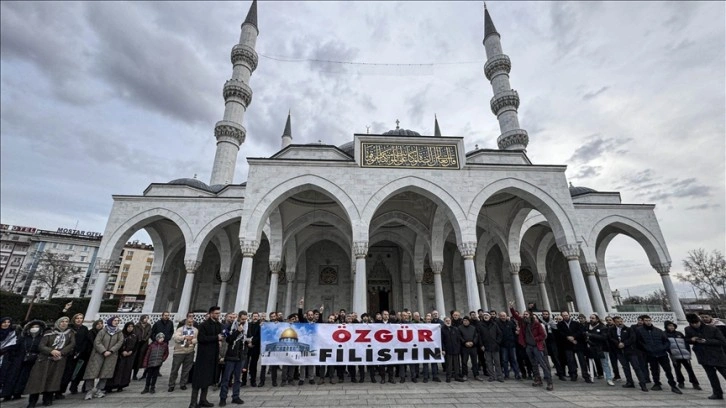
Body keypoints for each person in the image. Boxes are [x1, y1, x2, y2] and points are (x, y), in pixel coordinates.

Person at [25, 316, 76, 408]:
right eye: (62, 321)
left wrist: (61, 353)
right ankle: (32, 401)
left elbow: (71, 344)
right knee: (37, 380)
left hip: (59, 359)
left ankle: (47, 399)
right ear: (58, 322)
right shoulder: (49, 332)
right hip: (44, 359)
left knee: (53, 379)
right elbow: (41, 345)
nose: (64, 323)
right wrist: (51, 351)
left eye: (66, 322)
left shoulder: (70, 333)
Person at [509, 303, 553, 391]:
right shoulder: (523, 323)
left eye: (526, 314)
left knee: (543, 364)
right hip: (528, 346)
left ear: (530, 315)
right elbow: (515, 316)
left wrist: (535, 339)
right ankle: (538, 379)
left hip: (536, 346)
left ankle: (549, 382)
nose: (525, 316)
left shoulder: (537, 324)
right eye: (524, 314)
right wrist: (511, 308)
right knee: (533, 364)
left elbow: (543, 335)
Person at [635, 315, 682, 394]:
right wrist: (646, 349)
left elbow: (666, 341)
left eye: (649, 320)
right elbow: (638, 342)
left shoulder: (658, 330)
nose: (648, 322)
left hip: (662, 353)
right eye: (646, 320)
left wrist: (663, 348)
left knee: (668, 370)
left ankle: (673, 385)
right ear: (642, 321)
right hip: (650, 354)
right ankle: (656, 383)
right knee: (654, 370)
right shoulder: (639, 331)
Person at [1, 320, 46, 402]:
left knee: (24, 378)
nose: (34, 329)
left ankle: (18, 393)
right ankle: (7, 394)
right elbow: (15, 345)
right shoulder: (24, 337)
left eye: (37, 327)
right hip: (21, 359)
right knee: (13, 376)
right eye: (33, 327)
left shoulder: (42, 338)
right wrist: (4, 350)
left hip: (34, 360)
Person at [685, 313, 726, 400]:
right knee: (711, 376)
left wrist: (706, 341)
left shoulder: (712, 329)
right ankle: (717, 393)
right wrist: (692, 340)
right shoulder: (688, 329)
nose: (695, 325)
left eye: (696, 323)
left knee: (724, 372)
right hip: (703, 356)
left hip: (716, 355)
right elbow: (687, 340)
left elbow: (722, 341)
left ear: (699, 321)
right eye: (692, 324)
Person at [189, 306, 223, 408]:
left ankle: (203, 399)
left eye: (219, 313)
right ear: (211, 313)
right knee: (198, 379)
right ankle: (193, 402)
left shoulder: (218, 325)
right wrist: (216, 338)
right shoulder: (204, 325)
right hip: (203, 355)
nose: (218, 315)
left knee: (208, 378)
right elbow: (201, 338)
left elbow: (220, 335)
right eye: (216, 313)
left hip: (213, 355)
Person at [83, 316, 123, 400]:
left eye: (117, 321)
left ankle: (99, 389)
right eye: (115, 320)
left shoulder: (119, 332)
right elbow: (97, 342)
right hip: (98, 354)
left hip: (111, 355)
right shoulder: (103, 331)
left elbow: (120, 342)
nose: (116, 322)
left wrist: (111, 351)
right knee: (92, 372)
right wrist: (104, 351)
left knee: (105, 373)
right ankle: (89, 390)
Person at [608, 316, 648, 392]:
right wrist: (617, 343)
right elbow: (611, 338)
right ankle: (629, 382)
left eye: (621, 321)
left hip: (630, 351)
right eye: (617, 321)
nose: (620, 323)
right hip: (620, 352)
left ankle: (642, 383)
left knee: (636, 367)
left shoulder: (629, 329)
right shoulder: (611, 330)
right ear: (614, 322)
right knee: (625, 367)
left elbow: (632, 338)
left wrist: (624, 344)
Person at [219, 311, 248, 406]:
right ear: (239, 318)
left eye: (245, 319)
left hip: (241, 355)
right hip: (231, 355)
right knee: (226, 378)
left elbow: (248, 337)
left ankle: (235, 396)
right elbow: (229, 339)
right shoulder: (229, 326)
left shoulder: (247, 326)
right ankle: (223, 397)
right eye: (242, 319)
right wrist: (237, 331)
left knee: (238, 378)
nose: (244, 321)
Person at [58, 313, 89, 397]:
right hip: (68, 353)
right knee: (65, 373)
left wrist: (80, 352)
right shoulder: (69, 328)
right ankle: (60, 391)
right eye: (77, 318)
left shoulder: (84, 329)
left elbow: (85, 341)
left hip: (79, 354)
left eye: (81, 318)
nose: (79, 320)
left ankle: (73, 387)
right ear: (74, 319)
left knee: (77, 372)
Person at [664, 320, 701, 390]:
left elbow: (686, 343)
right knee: (677, 369)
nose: (671, 327)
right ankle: (680, 382)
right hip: (674, 355)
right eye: (669, 326)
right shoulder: (664, 334)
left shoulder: (679, 333)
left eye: (672, 326)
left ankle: (695, 382)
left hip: (684, 354)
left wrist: (688, 352)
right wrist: (670, 352)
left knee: (689, 369)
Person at [557, 311, 591, 383]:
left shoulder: (576, 323)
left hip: (577, 343)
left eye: (566, 315)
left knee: (582, 360)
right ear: (562, 316)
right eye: (563, 316)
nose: (565, 317)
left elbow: (580, 332)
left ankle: (585, 375)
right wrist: (567, 337)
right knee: (570, 360)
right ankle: (573, 375)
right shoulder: (560, 324)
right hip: (567, 344)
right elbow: (560, 333)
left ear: (569, 315)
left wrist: (574, 337)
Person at [169, 312, 198, 392]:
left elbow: (197, 339)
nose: (190, 323)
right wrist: (184, 337)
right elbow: (175, 337)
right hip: (179, 351)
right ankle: (171, 384)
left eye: (191, 322)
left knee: (186, 369)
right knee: (175, 369)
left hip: (190, 351)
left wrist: (191, 341)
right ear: (185, 322)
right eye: (189, 322)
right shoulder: (180, 329)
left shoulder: (195, 330)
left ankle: (183, 383)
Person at [106, 321, 137, 392]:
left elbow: (136, 345)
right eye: (129, 327)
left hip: (129, 356)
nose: (130, 328)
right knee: (117, 370)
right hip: (120, 355)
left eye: (132, 327)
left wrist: (131, 351)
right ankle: (110, 386)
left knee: (126, 371)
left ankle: (121, 385)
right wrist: (122, 351)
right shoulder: (121, 334)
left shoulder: (134, 336)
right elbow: (118, 344)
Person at [586, 314, 614, 386]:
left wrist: (591, 335)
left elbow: (603, 337)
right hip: (592, 347)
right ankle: (592, 376)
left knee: (605, 363)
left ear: (597, 319)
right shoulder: (588, 327)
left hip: (601, 348)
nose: (591, 319)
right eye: (590, 318)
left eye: (593, 318)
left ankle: (609, 378)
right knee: (591, 362)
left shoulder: (602, 327)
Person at [477, 311, 503, 382]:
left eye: (487, 315)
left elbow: (499, 334)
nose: (485, 317)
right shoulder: (480, 325)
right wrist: (481, 345)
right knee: (489, 362)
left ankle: (499, 376)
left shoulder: (494, 324)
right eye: (484, 316)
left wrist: (497, 342)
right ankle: (492, 376)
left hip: (495, 346)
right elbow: (479, 336)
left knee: (497, 362)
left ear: (490, 317)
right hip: (486, 346)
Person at [497, 311, 520, 380]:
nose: (503, 317)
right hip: (503, 345)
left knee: (514, 360)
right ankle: (506, 375)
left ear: (506, 316)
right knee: (504, 360)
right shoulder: (497, 324)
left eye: (504, 315)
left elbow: (515, 332)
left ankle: (517, 374)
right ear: (499, 317)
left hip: (511, 344)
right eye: (501, 316)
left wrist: (515, 338)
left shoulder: (511, 323)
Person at [0, 317, 20, 396]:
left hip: (7, 356)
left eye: (8, 322)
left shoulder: (12, 333)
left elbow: (15, 345)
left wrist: (5, 350)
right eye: (4, 322)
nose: (6, 324)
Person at [441, 317, 464, 383]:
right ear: (444, 322)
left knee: (456, 364)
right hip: (448, 349)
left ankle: (457, 376)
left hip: (455, 349)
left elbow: (458, 339)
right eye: (446, 321)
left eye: (449, 321)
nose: (448, 322)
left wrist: (458, 347)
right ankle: (448, 377)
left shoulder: (455, 329)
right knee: (449, 364)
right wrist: (443, 349)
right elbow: (442, 340)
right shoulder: (442, 329)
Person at [459, 316, 480, 381]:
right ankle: (465, 374)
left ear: (469, 321)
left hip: (473, 347)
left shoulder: (473, 328)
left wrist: (473, 343)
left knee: (474, 362)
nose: (465, 322)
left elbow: (476, 336)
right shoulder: (460, 328)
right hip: (464, 347)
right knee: (464, 361)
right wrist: (465, 342)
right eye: (464, 320)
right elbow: (459, 336)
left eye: (467, 320)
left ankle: (476, 374)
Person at [242, 312, 260, 387]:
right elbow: (244, 334)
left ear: (258, 317)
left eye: (256, 316)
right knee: (245, 364)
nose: (255, 317)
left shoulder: (260, 326)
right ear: (251, 317)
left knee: (253, 365)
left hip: (255, 347)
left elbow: (259, 336)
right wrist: (248, 342)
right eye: (254, 316)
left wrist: (253, 343)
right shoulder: (248, 325)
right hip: (247, 347)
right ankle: (243, 380)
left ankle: (253, 381)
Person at [132, 314, 151, 381]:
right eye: (145, 318)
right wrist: (138, 339)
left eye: (147, 318)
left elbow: (149, 333)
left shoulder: (148, 326)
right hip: (137, 343)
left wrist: (145, 339)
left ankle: (136, 374)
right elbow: (135, 333)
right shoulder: (137, 326)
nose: (146, 319)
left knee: (140, 359)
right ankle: (132, 374)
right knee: (134, 358)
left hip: (144, 344)